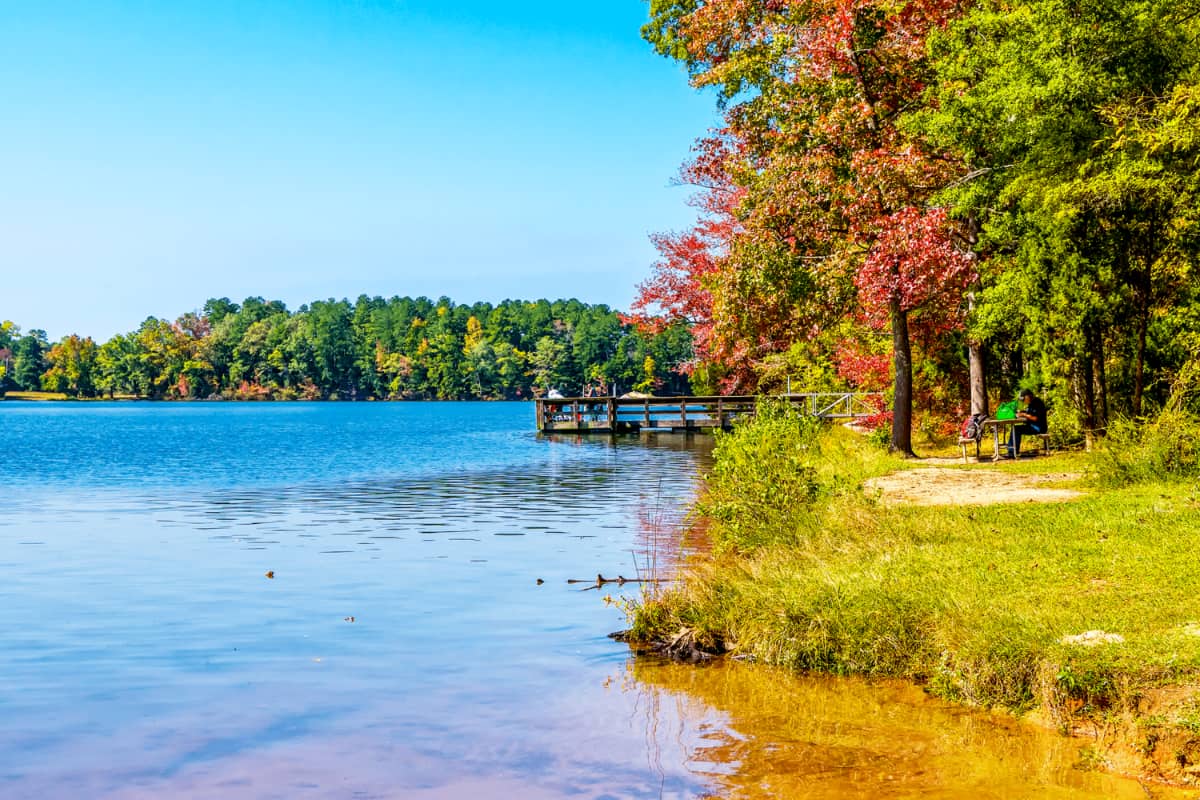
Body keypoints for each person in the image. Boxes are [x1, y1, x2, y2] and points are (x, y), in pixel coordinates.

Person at [1008, 389, 1047, 457]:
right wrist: (1021, 412)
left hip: (1038, 427)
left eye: (1023, 399)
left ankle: (1013, 452)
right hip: (1032, 426)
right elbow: (1029, 413)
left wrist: (1023, 415)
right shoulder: (1031, 403)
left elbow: (1035, 418)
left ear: (1028, 396)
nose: (1023, 401)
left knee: (1016, 429)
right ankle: (1012, 451)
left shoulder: (1037, 402)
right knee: (1015, 428)